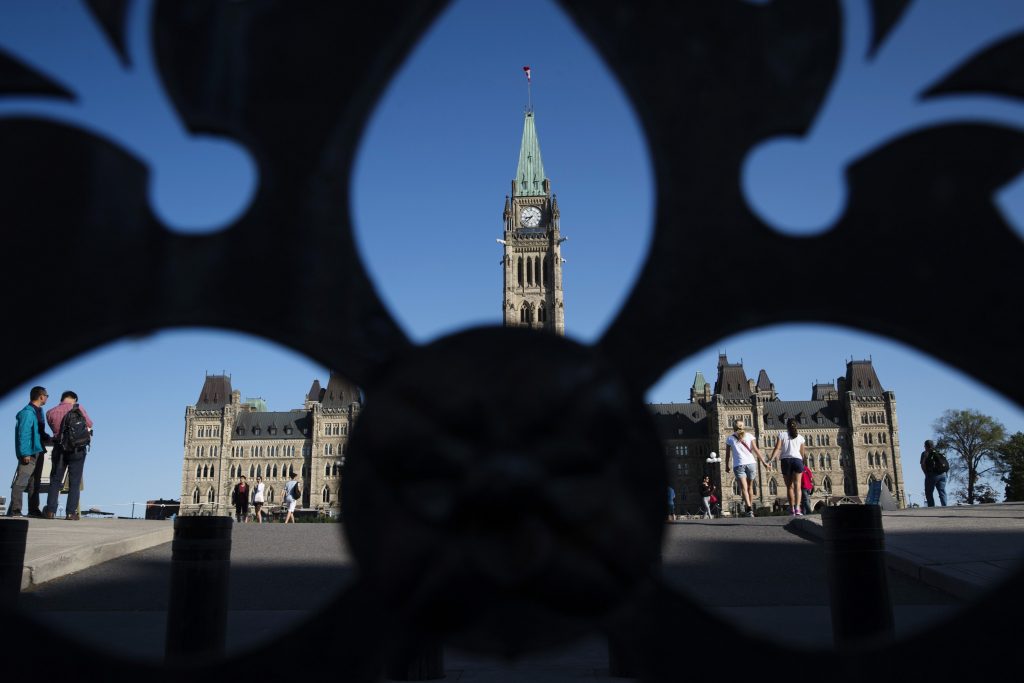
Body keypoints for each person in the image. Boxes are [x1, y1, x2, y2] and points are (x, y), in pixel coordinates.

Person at [44, 390, 93, 521]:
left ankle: (50, 511)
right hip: (77, 449)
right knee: (74, 482)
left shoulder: (50, 412)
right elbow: (89, 424)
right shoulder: (78, 408)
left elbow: (54, 430)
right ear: (74, 399)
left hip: (59, 448)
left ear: (62, 399)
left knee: (55, 480)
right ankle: (70, 513)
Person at [8, 386, 50, 517]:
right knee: (22, 480)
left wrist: (49, 438)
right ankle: (15, 510)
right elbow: (24, 433)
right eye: (47, 395)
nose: (47, 398)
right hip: (30, 452)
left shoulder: (39, 411)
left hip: (39, 450)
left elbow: (39, 432)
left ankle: (33, 510)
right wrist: (25, 452)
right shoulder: (27, 413)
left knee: (34, 482)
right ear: (41, 396)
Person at [724, 420, 770, 518]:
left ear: (733, 427)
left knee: (744, 488)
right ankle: (750, 508)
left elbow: (728, 454)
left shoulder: (730, 438)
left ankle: (749, 509)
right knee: (750, 487)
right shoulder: (749, 436)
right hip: (751, 463)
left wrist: (727, 465)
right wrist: (763, 462)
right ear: (743, 427)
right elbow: (756, 450)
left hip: (738, 465)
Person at [770, 418, 807, 516]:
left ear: (787, 425)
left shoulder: (782, 435)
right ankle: (798, 508)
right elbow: (802, 453)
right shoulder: (800, 437)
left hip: (786, 461)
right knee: (798, 486)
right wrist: (802, 463)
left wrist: (771, 459)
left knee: (789, 487)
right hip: (797, 461)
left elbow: (777, 448)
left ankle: (792, 509)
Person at [920, 440, 948, 507]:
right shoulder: (938, 452)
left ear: (926, 446)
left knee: (928, 492)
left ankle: (931, 507)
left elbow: (923, 465)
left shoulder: (925, 453)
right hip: (943, 474)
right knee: (942, 491)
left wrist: (926, 474)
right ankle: (945, 506)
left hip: (932, 475)